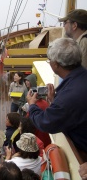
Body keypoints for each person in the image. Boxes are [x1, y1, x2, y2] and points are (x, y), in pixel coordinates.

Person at [27, 38, 87, 169]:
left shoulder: (69, 96)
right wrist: (54, 101)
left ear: (56, 64)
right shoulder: (81, 79)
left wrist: (32, 105)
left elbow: (45, 123)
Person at [23, 74, 51, 147]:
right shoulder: (46, 103)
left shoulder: (35, 106)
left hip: (37, 138)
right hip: (46, 135)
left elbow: (28, 124)